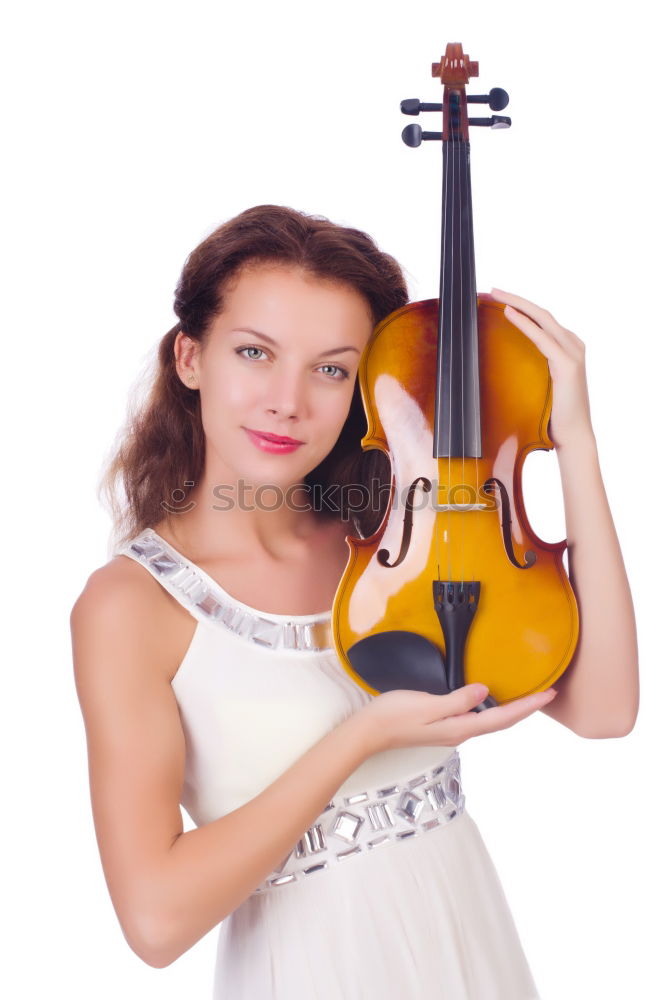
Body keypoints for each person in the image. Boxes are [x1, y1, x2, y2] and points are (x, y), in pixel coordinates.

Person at [70, 203, 639, 999]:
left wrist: (572, 439)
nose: (288, 401)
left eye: (331, 368)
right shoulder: (131, 605)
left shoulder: (393, 549)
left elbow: (606, 709)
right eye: (254, 353)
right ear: (190, 357)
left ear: (370, 387)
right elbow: (156, 922)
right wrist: (361, 737)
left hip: (469, 945)